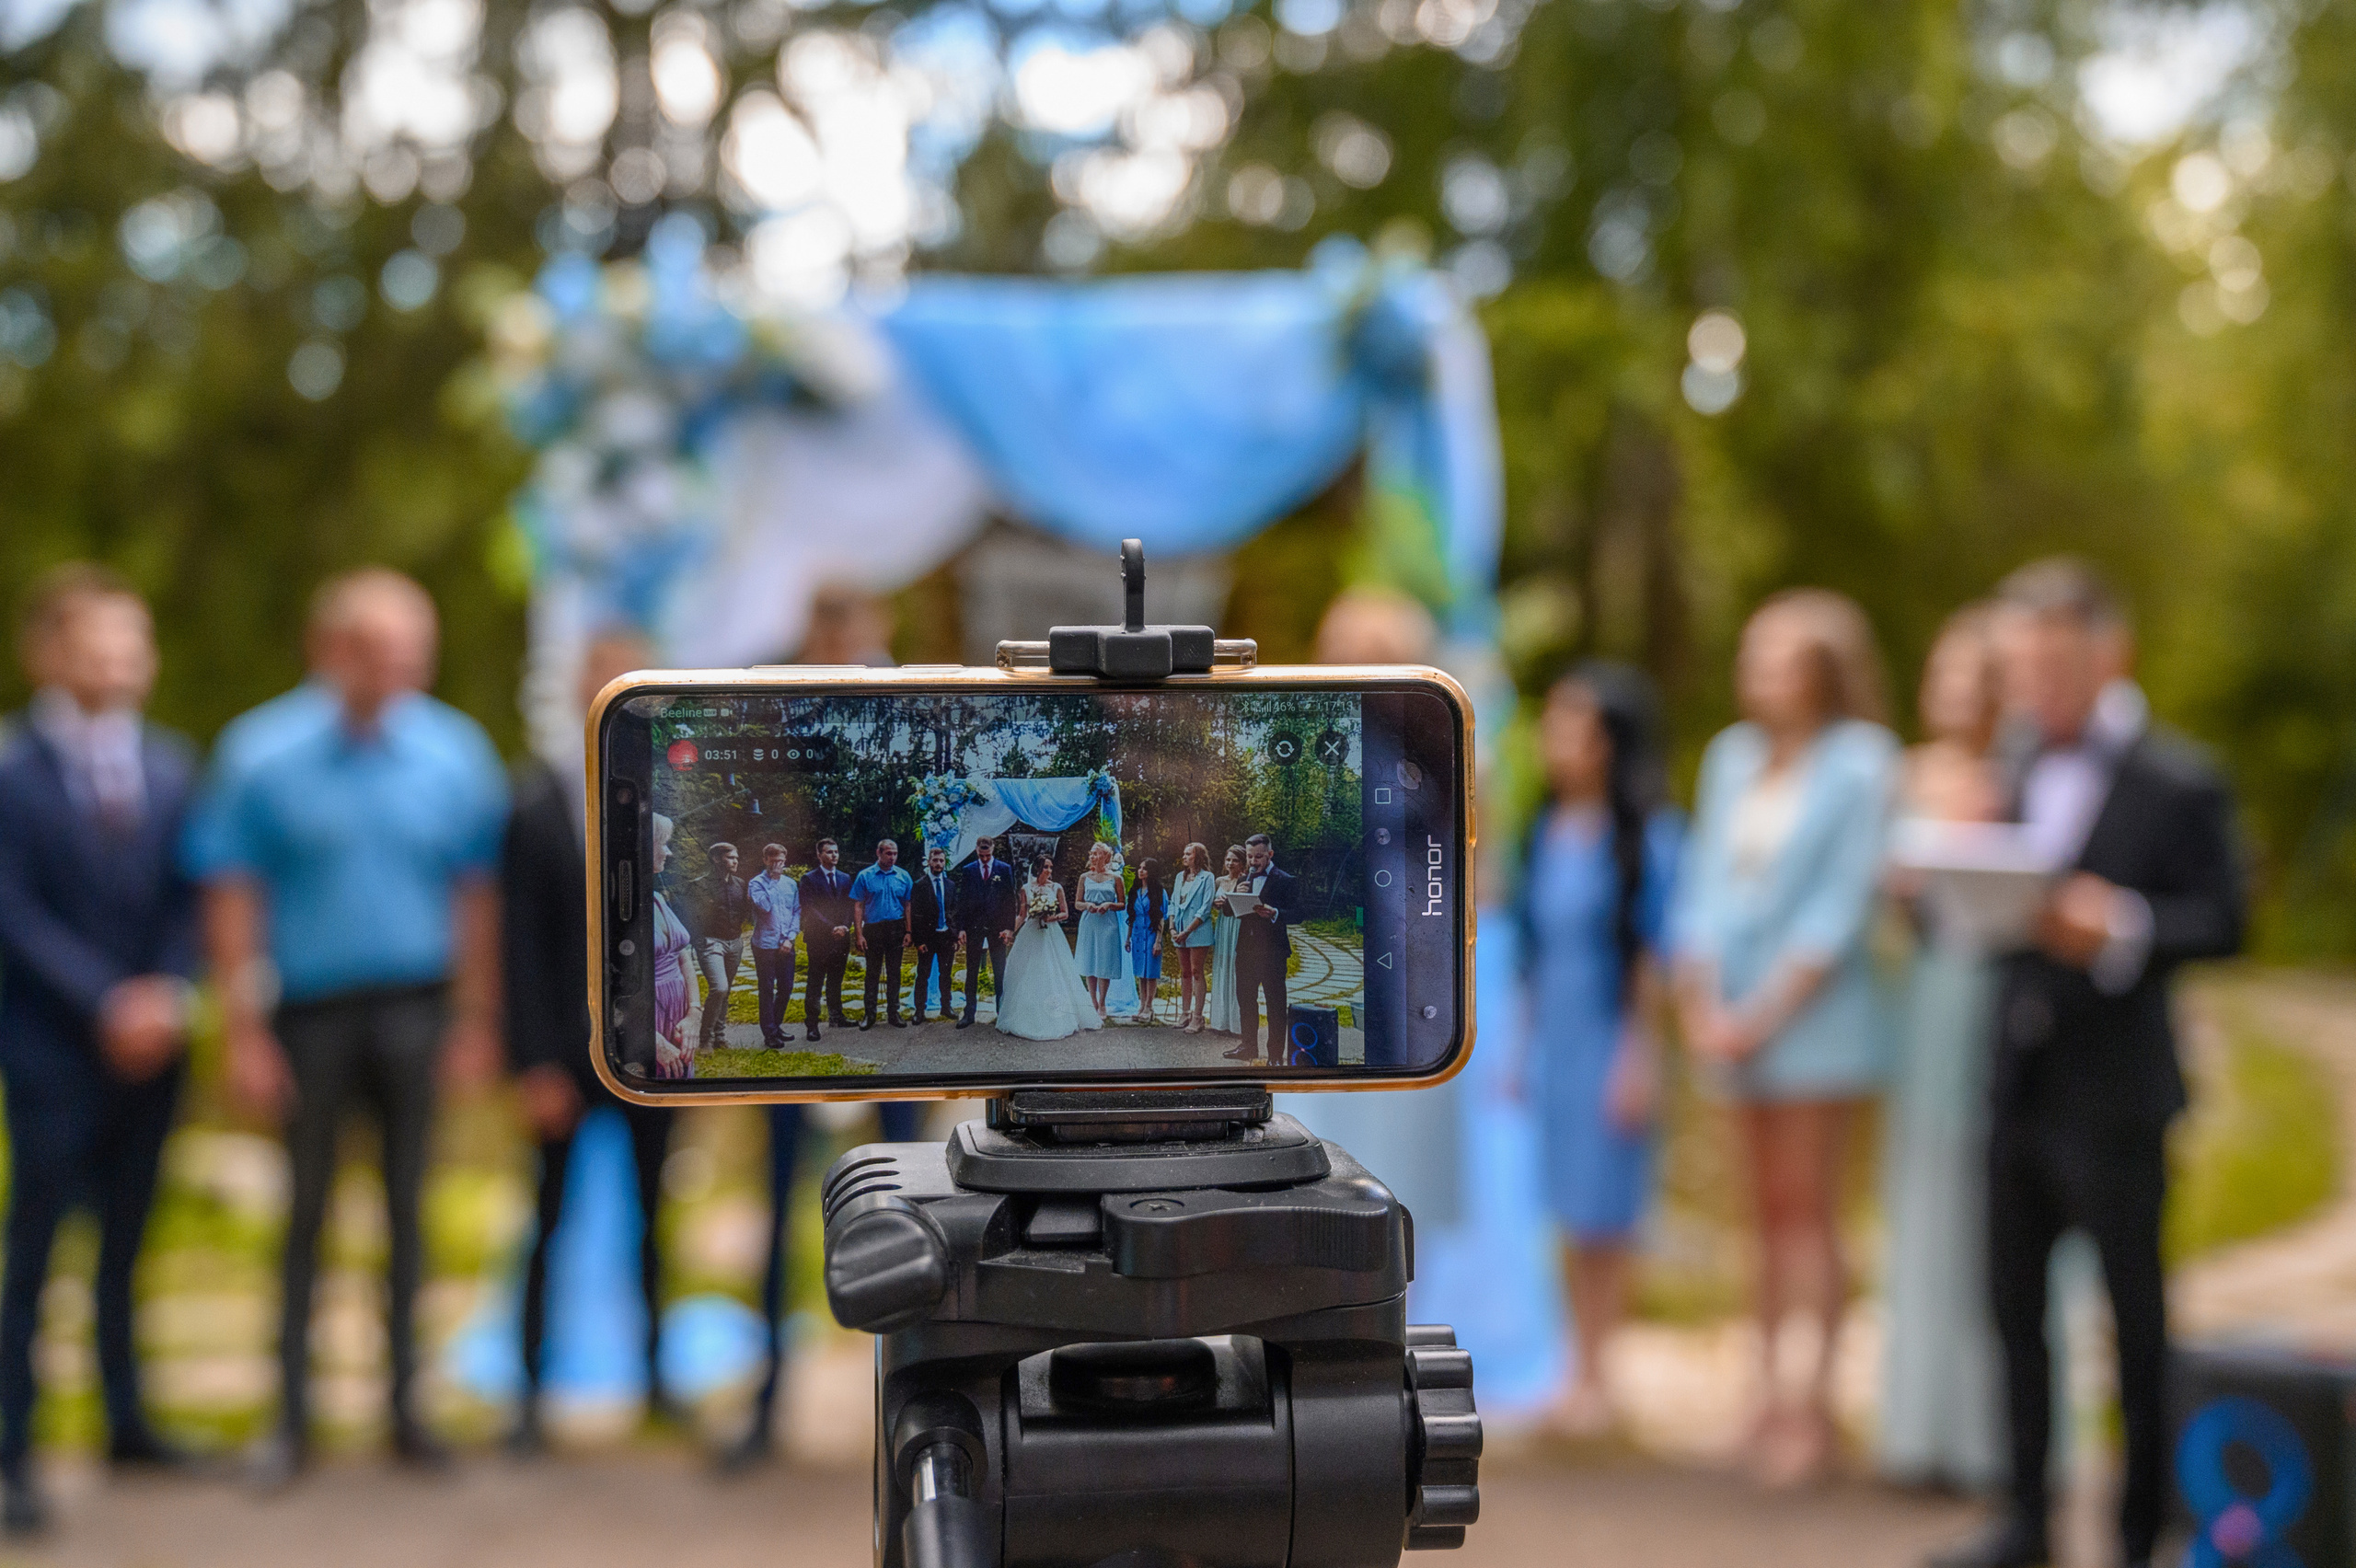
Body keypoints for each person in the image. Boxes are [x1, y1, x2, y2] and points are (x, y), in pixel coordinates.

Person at [1931, 562, 2243, 1568]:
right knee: (2015, 1318)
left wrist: (2117, 927)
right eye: (2021, 666)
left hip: (2117, 1097)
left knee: (2133, 1324)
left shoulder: (2179, 778)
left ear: (2110, 654)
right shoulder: (2009, 770)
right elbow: (1973, 920)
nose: (2035, 686)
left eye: (2053, 663)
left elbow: (2227, 920)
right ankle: (2027, 1522)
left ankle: (2136, 1531)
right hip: (2014, 1084)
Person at [185, 568, 507, 1487]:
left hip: (417, 1007)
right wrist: (241, 1031)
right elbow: (233, 896)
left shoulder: (454, 753)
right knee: (306, 1214)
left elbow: (474, 898)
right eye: (382, 647)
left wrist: (475, 1022)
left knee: (410, 1212)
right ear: (330, 649)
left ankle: (407, 1409)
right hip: (307, 1015)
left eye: (415, 647)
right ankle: (290, 1418)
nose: (402, 664)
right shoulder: (261, 754)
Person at [1667, 587, 1898, 1488]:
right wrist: (1700, 1000)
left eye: (1776, 656)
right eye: (1751, 653)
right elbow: (1700, 884)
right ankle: (1759, 1395)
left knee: (1810, 1211)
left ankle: (1815, 1404)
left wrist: (1760, 1009)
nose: (1755, 672)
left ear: (1822, 670)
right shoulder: (1731, 758)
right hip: (1730, 1021)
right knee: (1757, 1218)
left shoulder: (1862, 764)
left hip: (1815, 1022)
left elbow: (1840, 905)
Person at [0, 567, 199, 1535]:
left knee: (127, 1241)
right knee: (35, 1250)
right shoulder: (9, 771)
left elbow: (190, 896)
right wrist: (106, 1001)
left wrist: (163, 993)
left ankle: (128, 1419)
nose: (116, 662)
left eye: (132, 642)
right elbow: (13, 912)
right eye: (94, 643)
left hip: (155, 1045)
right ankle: (14, 1449)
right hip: (51, 1049)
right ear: (46, 653)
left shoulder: (171, 767)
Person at [499, 631, 677, 1451]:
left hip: (651, 1050)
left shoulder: (673, 796)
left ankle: (657, 1382)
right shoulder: (532, 802)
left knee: (654, 1215)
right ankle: (528, 1393)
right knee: (547, 1218)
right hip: (562, 1057)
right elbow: (518, 949)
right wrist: (531, 1061)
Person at [1510, 663, 1681, 1441]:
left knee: (1608, 1210)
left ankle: (1602, 1373)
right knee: (1565, 1209)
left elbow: (1655, 956)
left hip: (1613, 1035)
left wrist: (1640, 1056)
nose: (1558, 740)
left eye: (1575, 725)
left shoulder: (1648, 835)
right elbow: (1531, 953)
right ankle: (1574, 1368)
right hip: (1557, 1035)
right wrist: (1517, 1050)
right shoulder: (1543, 830)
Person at [1879, 608, 2008, 1493]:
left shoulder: (2029, 773)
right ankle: (1917, 1428)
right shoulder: (1906, 775)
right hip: (1926, 998)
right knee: (1924, 1200)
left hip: (2000, 999)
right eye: (1946, 674)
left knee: (1997, 1202)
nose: (1956, 693)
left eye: (1974, 677)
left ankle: (1995, 1435)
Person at [997, 855, 1103, 1042]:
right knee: (1029, 972)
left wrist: (1050, 918)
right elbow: (1022, 915)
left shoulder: (1057, 888)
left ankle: (1060, 1016)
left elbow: (1065, 913)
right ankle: (1028, 1016)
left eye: (1051, 867)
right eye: (1046, 867)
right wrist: (1010, 931)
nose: (1050, 871)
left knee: (1055, 971)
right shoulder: (1025, 889)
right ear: (1037, 868)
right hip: (1031, 933)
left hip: (1051, 934)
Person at [1222, 834, 1299, 1064]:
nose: (1253, 861)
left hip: (1273, 953)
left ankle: (1275, 1055)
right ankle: (1248, 1046)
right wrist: (1235, 896)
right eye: (1249, 856)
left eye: (1258, 856)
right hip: (1245, 951)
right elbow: (1228, 912)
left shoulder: (1285, 880)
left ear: (1270, 855)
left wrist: (1275, 913)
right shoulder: (1244, 878)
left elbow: (1300, 913)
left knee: (1275, 1004)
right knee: (1245, 1000)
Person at [684, 841, 750, 1054]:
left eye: (737, 858)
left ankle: (720, 1037)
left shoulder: (740, 884)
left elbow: (745, 911)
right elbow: (691, 917)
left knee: (726, 990)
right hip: (710, 942)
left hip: (735, 942)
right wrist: (698, 940)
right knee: (719, 987)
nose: (735, 861)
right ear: (716, 859)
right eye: (731, 857)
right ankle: (705, 1040)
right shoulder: (699, 885)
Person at [648, 815, 698, 1078]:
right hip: (649, 1025)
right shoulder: (616, 910)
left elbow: (683, 957)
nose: (669, 852)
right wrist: (649, 1039)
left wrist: (694, 1014)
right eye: (664, 843)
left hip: (678, 1023)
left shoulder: (656, 898)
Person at [953, 836, 1021, 1029]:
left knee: (1000, 971)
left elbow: (1011, 900)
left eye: (988, 856)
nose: (984, 859)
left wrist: (1009, 928)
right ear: (976, 851)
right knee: (972, 970)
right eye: (981, 856)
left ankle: (1001, 1012)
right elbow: (963, 901)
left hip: (997, 928)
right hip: (974, 927)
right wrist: (961, 928)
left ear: (993, 851)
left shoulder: (1004, 869)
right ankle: (969, 1013)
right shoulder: (968, 870)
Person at [851, 838, 912, 1030]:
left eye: (895, 854)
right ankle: (870, 1014)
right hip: (873, 928)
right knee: (872, 972)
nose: (892, 857)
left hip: (896, 927)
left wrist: (909, 931)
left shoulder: (903, 876)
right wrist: (859, 934)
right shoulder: (865, 876)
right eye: (888, 853)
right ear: (879, 853)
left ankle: (894, 1013)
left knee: (894, 972)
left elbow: (908, 905)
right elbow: (858, 905)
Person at [799, 838, 853, 1042]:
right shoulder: (809, 879)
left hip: (841, 938)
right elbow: (810, 909)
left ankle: (836, 1017)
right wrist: (831, 927)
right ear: (819, 855)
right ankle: (812, 1024)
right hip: (819, 938)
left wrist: (846, 926)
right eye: (829, 852)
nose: (834, 855)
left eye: (836, 852)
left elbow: (850, 906)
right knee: (815, 982)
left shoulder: (845, 878)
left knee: (836, 980)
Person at [747, 845, 801, 1049]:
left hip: (786, 943)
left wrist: (790, 938)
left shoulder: (791, 884)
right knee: (767, 988)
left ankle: (776, 1025)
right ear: (766, 860)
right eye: (774, 860)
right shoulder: (756, 883)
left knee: (786, 986)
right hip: (765, 944)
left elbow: (796, 911)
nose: (778, 864)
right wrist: (772, 880)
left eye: (781, 860)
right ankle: (769, 1033)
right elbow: (765, 907)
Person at [1169, 843, 1218, 1034]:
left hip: (1197, 930)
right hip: (1179, 929)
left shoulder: (1207, 878)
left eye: (1188, 854)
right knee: (1184, 972)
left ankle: (1198, 1017)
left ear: (1197, 856)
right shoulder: (1180, 877)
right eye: (1184, 853)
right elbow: (1173, 902)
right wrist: (1172, 927)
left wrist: (1187, 931)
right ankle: (1185, 1012)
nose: (1184, 856)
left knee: (1197, 971)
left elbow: (1205, 909)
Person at [1073, 842, 1125, 1020]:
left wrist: (1109, 904)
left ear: (1105, 856)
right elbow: (1077, 903)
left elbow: (1122, 903)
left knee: (1104, 960)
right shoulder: (1084, 877)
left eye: (1096, 854)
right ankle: (1092, 1001)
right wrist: (1087, 905)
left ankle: (1103, 1003)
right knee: (1090, 960)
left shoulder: (1116, 878)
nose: (1092, 857)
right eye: (1091, 854)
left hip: (1108, 923)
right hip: (1089, 921)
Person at [907, 845, 957, 1024]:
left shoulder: (950, 885)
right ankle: (920, 1010)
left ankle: (946, 1006)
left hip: (946, 936)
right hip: (928, 938)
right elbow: (916, 915)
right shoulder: (920, 885)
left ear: (945, 863)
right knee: (923, 974)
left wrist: (955, 936)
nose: (938, 864)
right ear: (929, 862)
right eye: (935, 860)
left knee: (946, 974)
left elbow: (953, 912)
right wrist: (918, 941)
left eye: (941, 860)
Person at [1206, 846, 1247, 1035]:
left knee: (1236, 970)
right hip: (1223, 925)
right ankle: (1220, 1020)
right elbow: (1213, 905)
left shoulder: (1246, 880)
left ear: (1242, 863)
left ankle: (1237, 1023)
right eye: (1228, 860)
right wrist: (1216, 904)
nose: (1230, 864)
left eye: (1235, 860)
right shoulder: (1219, 881)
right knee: (1222, 968)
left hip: (1238, 925)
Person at [1128, 858, 1167, 1022]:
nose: (1141, 870)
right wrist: (1128, 937)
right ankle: (1141, 1004)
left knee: (1150, 971)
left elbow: (1162, 917)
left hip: (1151, 933)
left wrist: (1158, 940)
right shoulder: (1135, 891)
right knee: (1141, 972)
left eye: (1144, 868)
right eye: (1140, 867)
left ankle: (1149, 1006)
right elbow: (1131, 916)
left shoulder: (1159, 891)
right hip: (1137, 934)